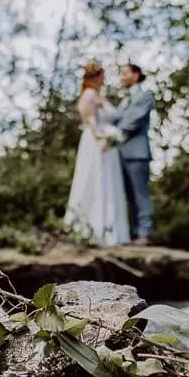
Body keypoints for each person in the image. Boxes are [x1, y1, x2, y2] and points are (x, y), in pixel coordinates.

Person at [63, 62, 131, 246]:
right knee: (97, 181)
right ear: (96, 77)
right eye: (102, 75)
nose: (104, 79)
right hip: (97, 143)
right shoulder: (90, 95)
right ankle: (97, 230)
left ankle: (106, 229)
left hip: (101, 143)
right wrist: (102, 138)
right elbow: (92, 120)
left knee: (105, 182)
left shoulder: (93, 94)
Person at [115, 63, 154, 246]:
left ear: (136, 75)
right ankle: (130, 234)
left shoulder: (145, 96)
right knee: (126, 196)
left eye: (125, 73)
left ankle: (144, 234)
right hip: (119, 154)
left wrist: (110, 132)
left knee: (140, 195)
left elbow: (133, 121)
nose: (122, 77)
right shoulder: (124, 101)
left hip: (137, 154)